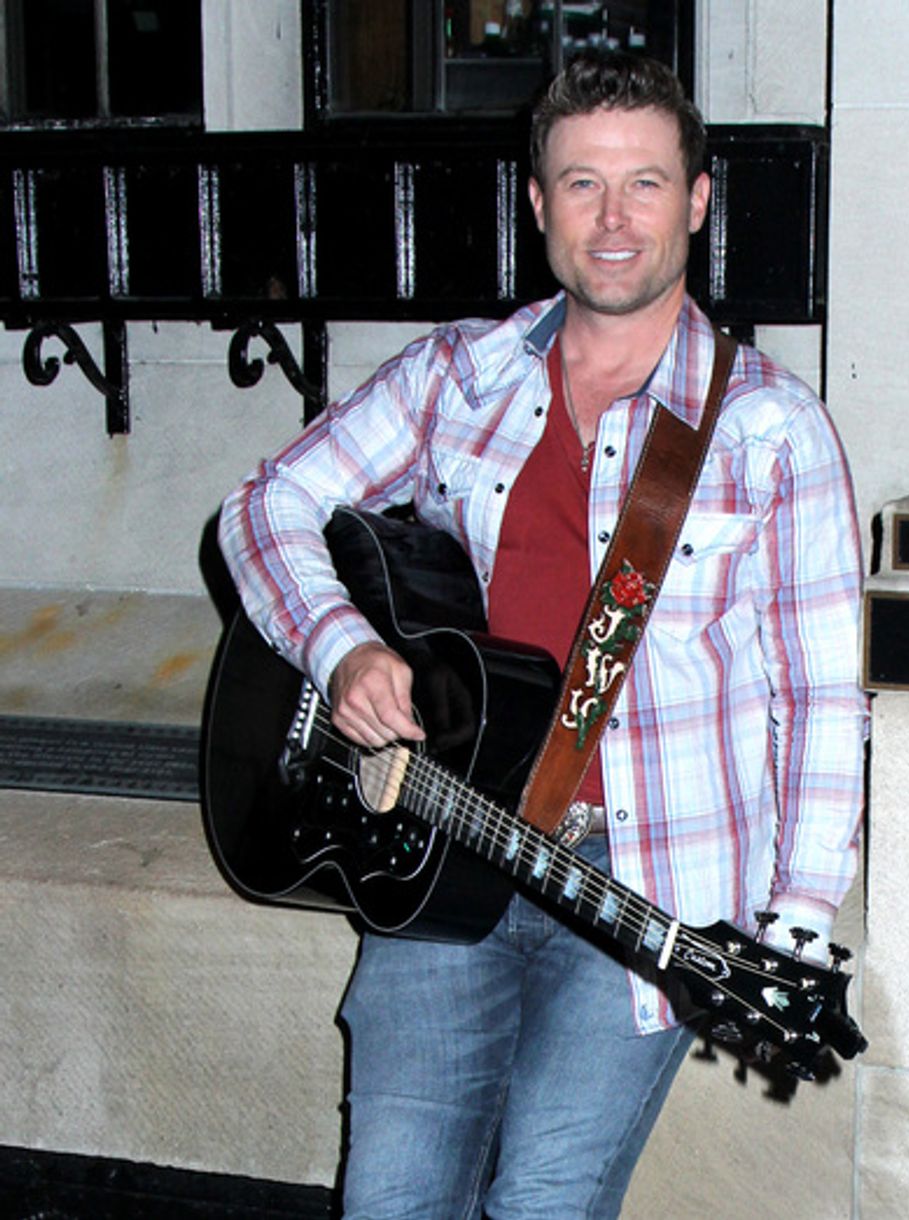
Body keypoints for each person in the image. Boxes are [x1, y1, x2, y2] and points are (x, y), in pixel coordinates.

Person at [218, 48, 868, 1220]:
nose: (612, 220)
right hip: (440, 843)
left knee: (542, 1200)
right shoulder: (455, 375)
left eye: (645, 184)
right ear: (537, 203)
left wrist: (799, 913)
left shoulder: (769, 429)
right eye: (580, 184)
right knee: (392, 1200)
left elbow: (820, 693)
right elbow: (265, 506)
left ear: (697, 200)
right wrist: (339, 647)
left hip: (644, 880)